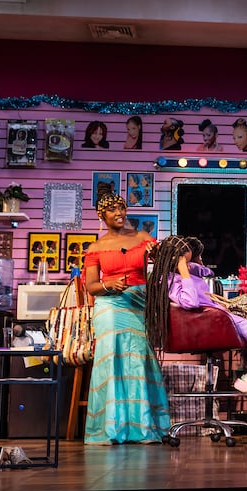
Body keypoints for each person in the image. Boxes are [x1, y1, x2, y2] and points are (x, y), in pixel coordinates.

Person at [145, 235, 247, 445]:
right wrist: (182, 268)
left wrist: (191, 263)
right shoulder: (169, 280)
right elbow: (190, 302)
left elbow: (207, 272)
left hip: (226, 319)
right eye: (187, 259)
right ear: (176, 260)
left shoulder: (183, 272)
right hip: (223, 324)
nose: (192, 263)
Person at [82, 188, 170, 444]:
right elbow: (91, 286)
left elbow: (161, 266)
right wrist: (110, 286)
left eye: (121, 208)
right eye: (112, 209)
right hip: (109, 305)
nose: (119, 213)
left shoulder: (143, 239)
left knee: (137, 359)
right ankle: (111, 429)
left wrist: (158, 257)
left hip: (139, 304)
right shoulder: (95, 248)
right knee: (112, 359)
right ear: (102, 215)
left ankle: (141, 427)